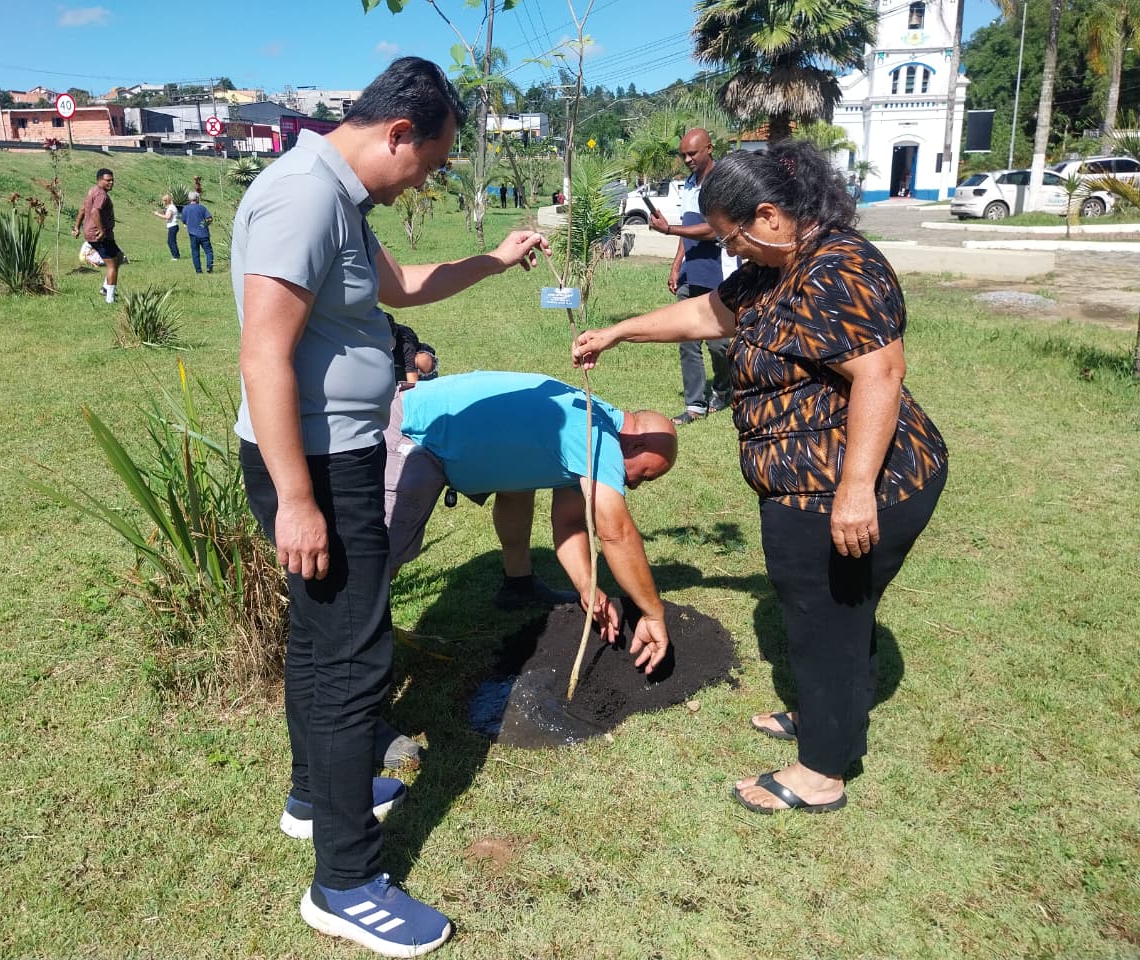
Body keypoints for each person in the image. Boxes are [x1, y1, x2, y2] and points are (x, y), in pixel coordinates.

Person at [232, 56, 550, 957]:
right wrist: (299, 501)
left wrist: (495, 260)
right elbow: (263, 355)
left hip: (332, 456)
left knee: (323, 641)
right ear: (398, 132)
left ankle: (314, 795)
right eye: (431, 164)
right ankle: (345, 882)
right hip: (316, 466)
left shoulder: (339, 200)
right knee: (353, 659)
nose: (425, 181)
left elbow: (401, 286)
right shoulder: (304, 197)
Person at [573, 140, 948, 815]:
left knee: (824, 621)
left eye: (731, 237)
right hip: (807, 483)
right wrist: (619, 331)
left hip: (854, 484)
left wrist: (855, 490)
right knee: (836, 613)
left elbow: (880, 373)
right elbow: (706, 314)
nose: (731, 250)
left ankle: (822, 771)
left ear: (770, 215)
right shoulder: (774, 268)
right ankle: (828, 716)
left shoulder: (839, 270)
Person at [383, 371, 678, 653]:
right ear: (637, 444)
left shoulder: (592, 428)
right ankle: (363, 647)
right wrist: (652, 613)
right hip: (414, 428)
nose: (635, 485)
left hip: (448, 429)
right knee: (383, 555)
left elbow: (570, 523)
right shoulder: (596, 435)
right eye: (646, 475)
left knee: (519, 484)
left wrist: (587, 587)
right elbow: (616, 534)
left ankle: (518, 585)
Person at [645, 129, 733, 425]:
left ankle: (724, 388)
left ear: (709, 148)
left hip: (719, 273)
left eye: (692, 153)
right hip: (690, 273)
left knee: (718, 343)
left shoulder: (723, 183)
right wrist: (676, 265)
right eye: (683, 155)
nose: (687, 159)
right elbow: (689, 227)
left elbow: (713, 230)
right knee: (686, 339)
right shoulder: (690, 184)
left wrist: (669, 230)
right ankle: (695, 404)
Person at [72, 168, 122, 304]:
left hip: (91, 233)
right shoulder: (102, 195)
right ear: (99, 180)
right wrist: (101, 230)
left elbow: (83, 209)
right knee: (112, 265)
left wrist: (76, 227)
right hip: (99, 235)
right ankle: (109, 298)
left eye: (112, 180)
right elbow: (95, 212)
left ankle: (106, 288)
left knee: (118, 257)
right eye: (108, 180)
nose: (111, 183)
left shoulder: (92, 191)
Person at [387, 315, 438, 385]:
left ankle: (427, 385)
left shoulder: (405, 341)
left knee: (423, 360)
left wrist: (413, 390)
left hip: (407, 365)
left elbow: (411, 375)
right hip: (388, 368)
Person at [179, 191, 214, 274]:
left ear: (189, 199)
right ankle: (209, 267)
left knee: (195, 253)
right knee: (208, 251)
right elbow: (209, 218)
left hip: (192, 234)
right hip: (204, 234)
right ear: (197, 199)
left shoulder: (185, 209)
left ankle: (198, 271)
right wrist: (203, 224)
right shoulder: (202, 208)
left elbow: (183, 220)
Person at [152, 193, 181, 261]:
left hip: (173, 226)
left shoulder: (171, 207)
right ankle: (176, 255)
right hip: (173, 226)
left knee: (170, 242)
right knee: (172, 241)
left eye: (163, 201)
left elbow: (168, 217)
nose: (162, 202)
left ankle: (176, 256)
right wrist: (161, 213)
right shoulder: (171, 207)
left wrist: (157, 214)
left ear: (166, 201)